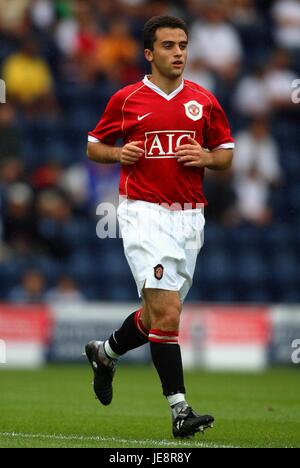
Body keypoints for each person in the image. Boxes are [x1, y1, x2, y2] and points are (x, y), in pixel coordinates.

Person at [85, 15, 234, 439]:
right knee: (168, 312)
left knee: (155, 315)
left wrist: (207, 159)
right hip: (143, 213)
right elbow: (93, 145)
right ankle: (180, 410)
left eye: (183, 44)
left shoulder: (204, 100)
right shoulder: (127, 99)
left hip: (190, 215)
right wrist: (118, 155)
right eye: (169, 46)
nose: (179, 52)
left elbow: (225, 152)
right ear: (149, 54)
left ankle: (105, 352)